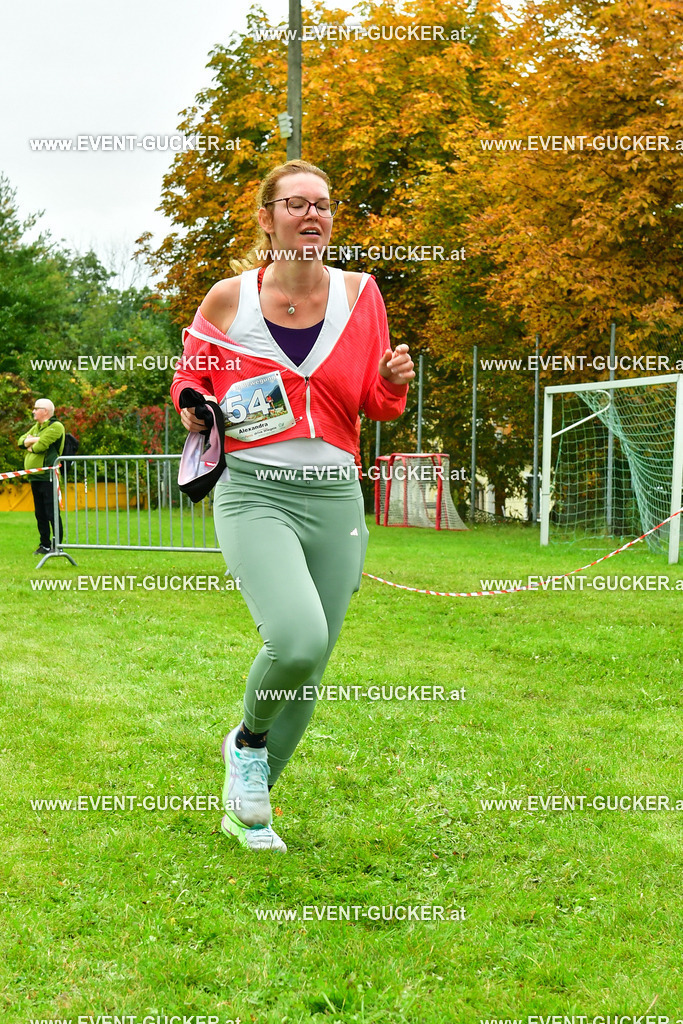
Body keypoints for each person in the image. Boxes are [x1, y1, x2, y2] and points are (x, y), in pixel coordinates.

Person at [171, 159, 414, 853]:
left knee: (312, 664)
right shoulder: (228, 298)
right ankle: (246, 742)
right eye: (296, 204)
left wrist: (393, 382)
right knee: (296, 639)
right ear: (266, 217)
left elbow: (374, 403)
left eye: (324, 205)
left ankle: (252, 807)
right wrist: (193, 407)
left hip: (334, 495)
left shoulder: (361, 295)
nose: (313, 216)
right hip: (254, 493)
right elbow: (191, 376)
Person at [17, 398, 65, 555]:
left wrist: (32, 442)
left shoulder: (56, 426)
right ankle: (44, 544)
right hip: (36, 477)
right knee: (40, 513)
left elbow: (39, 447)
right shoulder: (37, 427)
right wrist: (31, 440)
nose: (33, 411)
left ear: (45, 411)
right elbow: (20, 441)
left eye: (36, 408)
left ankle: (57, 545)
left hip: (48, 476)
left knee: (52, 512)